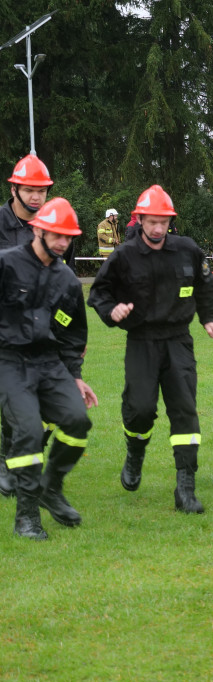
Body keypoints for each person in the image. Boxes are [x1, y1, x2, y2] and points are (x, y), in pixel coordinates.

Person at [88, 185, 213, 514]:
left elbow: (206, 285)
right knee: (140, 408)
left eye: (163, 222)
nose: (157, 228)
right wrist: (111, 310)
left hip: (178, 340)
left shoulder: (187, 249)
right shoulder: (124, 255)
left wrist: (209, 318)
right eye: (151, 222)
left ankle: (185, 487)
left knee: (185, 409)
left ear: (170, 221)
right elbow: (99, 292)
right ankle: (135, 454)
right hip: (141, 341)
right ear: (141, 220)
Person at [0, 198, 97, 539]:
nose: (62, 243)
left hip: (50, 363)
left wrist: (76, 376)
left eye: (68, 238)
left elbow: (72, 335)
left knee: (77, 420)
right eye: (57, 235)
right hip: (9, 361)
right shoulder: (6, 264)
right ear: (38, 229)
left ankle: (50, 487)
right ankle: (26, 516)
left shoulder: (67, 279)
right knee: (27, 430)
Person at [0, 154, 54, 500]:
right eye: (30, 190)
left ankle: (15, 460)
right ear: (15, 189)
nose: (36, 197)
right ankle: (7, 461)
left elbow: (62, 276)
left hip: (40, 329)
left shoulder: (52, 224)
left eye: (42, 191)